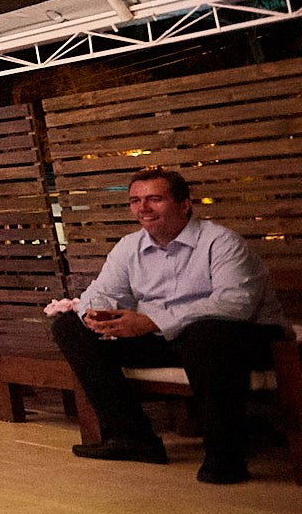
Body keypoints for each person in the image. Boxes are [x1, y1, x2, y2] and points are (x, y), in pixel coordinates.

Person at [51, 168, 285, 484]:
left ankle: (225, 455)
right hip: (172, 340)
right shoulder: (129, 247)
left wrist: (150, 321)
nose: (142, 209)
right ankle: (132, 437)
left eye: (154, 199)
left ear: (184, 204)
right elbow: (103, 291)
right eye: (135, 201)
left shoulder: (221, 242)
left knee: (208, 333)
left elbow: (234, 304)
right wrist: (94, 314)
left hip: (247, 340)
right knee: (71, 327)